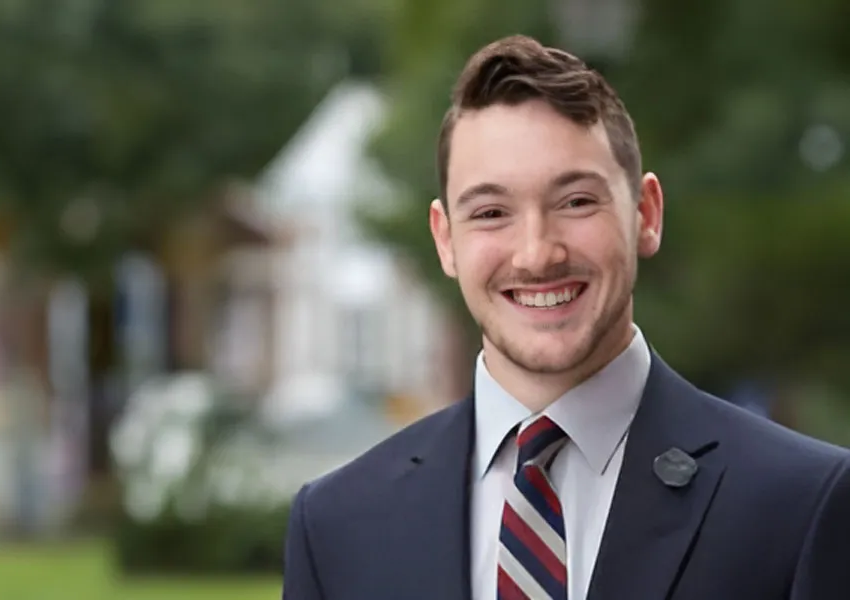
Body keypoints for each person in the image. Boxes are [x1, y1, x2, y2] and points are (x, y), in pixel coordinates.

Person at [281, 34, 850, 600]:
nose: (537, 253)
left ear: (646, 215)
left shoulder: (801, 506)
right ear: (445, 239)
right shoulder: (336, 527)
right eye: (491, 212)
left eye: (576, 201)